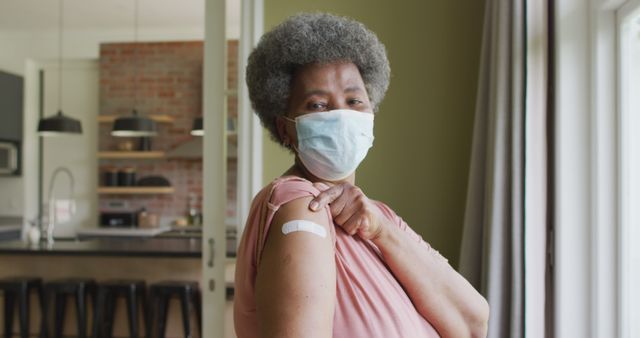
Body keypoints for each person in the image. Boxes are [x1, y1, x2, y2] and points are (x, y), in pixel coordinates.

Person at [234, 12, 489, 338]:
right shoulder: (301, 208)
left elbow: (473, 322)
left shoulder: (378, 218)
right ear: (286, 129)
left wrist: (381, 230)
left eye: (354, 100)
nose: (341, 114)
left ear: (371, 114)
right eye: (317, 105)